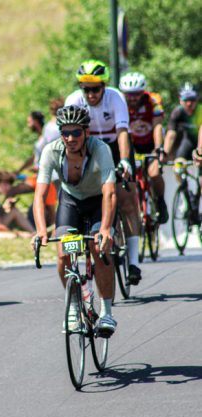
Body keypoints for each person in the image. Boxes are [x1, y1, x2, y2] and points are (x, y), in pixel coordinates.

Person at [33, 105, 117, 336]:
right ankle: (73, 308)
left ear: (86, 132)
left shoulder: (100, 149)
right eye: (65, 133)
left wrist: (107, 229)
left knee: (98, 248)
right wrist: (41, 230)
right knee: (64, 253)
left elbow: (110, 192)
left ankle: (107, 311)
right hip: (71, 202)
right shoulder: (51, 151)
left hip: (99, 201)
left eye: (76, 133)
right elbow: (39, 196)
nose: (70, 138)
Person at [65, 59, 141, 285]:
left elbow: (123, 132)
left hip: (116, 148)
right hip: (89, 149)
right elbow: (71, 138)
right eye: (86, 89)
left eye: (95, 88)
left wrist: (126, 161)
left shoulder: (115, 97)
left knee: (127, 200)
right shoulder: (74, 101)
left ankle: (134, 262)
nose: (90, 94)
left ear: (104, 86)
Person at [119, 72, 168, 223]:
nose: (132, 98)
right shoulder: (119, 102)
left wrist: (159, 148)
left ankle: (160, 201)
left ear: (143, 92)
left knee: (153, 173)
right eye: (129, 94)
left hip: (151, 143)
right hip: (131, 145)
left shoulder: (153, 100)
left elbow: (158, 126)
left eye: (136, 94)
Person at [164, 83, 202, 162]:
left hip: (201, 142)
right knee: (178, 163)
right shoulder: (178, 112)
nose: (189, 103)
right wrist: (165, 153)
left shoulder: (200, 111)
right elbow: (171, 134)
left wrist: (200, 151)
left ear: (197, 99)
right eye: (185, 99)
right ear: (180, 100)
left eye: (192, 99)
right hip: (188, 141)